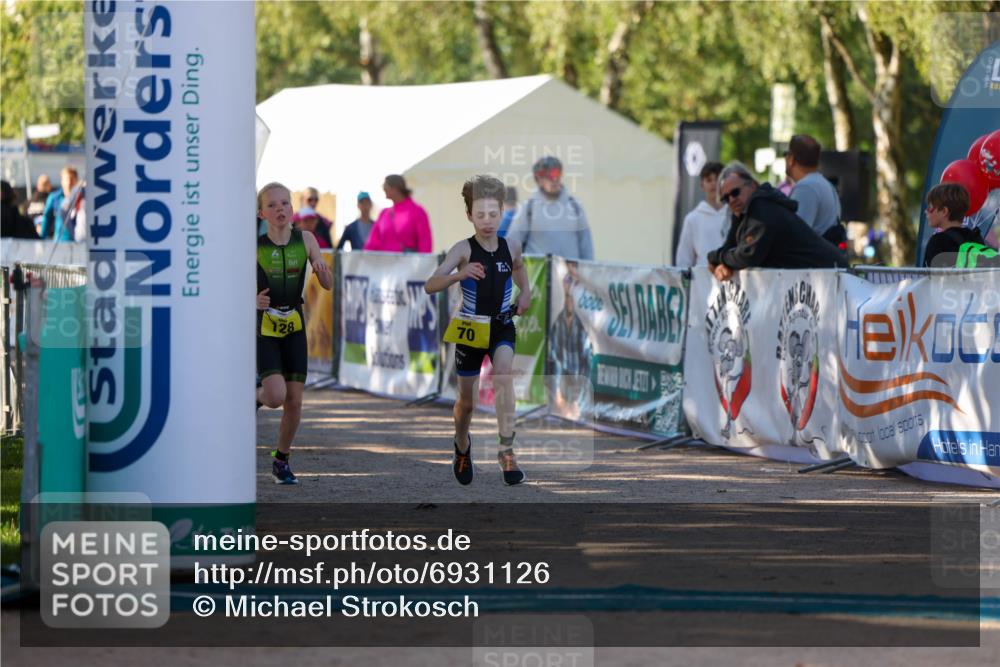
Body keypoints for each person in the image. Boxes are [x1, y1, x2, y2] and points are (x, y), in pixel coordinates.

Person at [425, 174, 532, 486]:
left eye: (493, 214)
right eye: (480, 215)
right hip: (470, 330)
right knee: (467, 403)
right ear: (470, 215)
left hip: (501, 325)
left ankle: (507, 450)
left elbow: (520, 270)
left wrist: (525, 293)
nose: (487, 221)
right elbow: (431, 284)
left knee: (503, 376)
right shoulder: (463, 249)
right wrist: (460, 275)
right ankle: (461, 443)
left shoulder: (511, 245)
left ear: (502, 211)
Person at [256, 182, 333, 484]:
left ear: (292, 208)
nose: (280, 210)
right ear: (261, 213)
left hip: (294, 325)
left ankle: (281, 459)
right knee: (275, 397)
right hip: (264, 326)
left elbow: (326, 284)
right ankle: (254, 396)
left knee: (295, 401)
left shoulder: (307, 239)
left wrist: (323, 272)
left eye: (285, 204)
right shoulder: (255, 246)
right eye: (272, 205)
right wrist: (252, 300)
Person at [707, 162, 848, 282]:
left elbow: (748, 256)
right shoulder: (743, 213)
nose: (732, 200)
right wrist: (723, 262)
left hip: (830, 276)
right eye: (726, 198)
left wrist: (715, 257)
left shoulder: (762, 208)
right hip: (814, 277)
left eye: (735, 192)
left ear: (753, 185)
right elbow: (732, 248)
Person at [505, 156, 594, 260]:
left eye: (557, 174)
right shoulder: (528, 208)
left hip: (570, 275)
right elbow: (511, 247)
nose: (554, 179)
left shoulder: (575, 207)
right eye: (548, 176)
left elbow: (586, 248)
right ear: (539, 180)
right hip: (537, 275)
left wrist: (588, 272)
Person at [785, 134, 846, 247]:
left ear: (791, 159)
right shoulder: (826, 185)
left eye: (786, 154)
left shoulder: (806, 188)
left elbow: (795, 236)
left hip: (812, 263)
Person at [923, 183, 998, 268]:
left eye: (930, 208)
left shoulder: (937, 241)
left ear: (944, 211)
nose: (926, 211)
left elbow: (930, 278)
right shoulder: (975, 236)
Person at [675, 161, 728, 267]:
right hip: (703, 280)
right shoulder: (692, 218)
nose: (713, 184)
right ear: (702, 185)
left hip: (733, 280)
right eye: (709, 180)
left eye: (717, 179)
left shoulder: (734, 215)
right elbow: (684, 258)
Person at [364, 174, 433, 253]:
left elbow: (425, 242)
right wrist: (365, 258)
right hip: (384, 263)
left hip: (408, 263)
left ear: (395, 188)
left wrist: (423, 263)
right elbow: (372, 242)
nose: (383, 188)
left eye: (385, 186)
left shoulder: (417, 211)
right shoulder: (384, 213)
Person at [39, 166, 84, 242]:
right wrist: (40, 240)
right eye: (66, 179)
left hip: (77, 244)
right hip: (59, 244)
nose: (69, 183)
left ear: (76, 181)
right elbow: (46, 219)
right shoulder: (54, 198)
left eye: (71, 179)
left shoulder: (82, 198)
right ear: (62, 181)